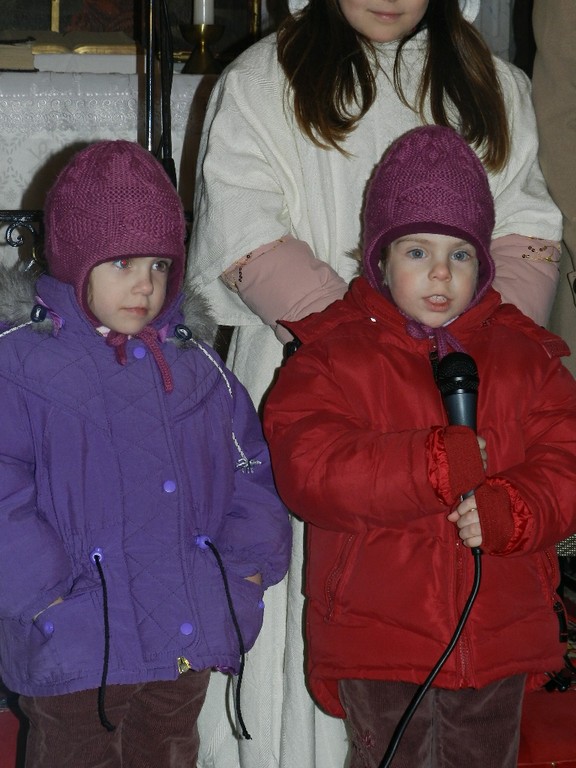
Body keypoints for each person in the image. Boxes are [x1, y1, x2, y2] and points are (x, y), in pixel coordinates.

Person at [187, 1, 563, 765]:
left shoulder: (493, 84)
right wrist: (363, 338)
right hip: (325, 373)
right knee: (343, 612)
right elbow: (244, 225)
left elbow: (526, 224)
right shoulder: (265, 78)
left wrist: (480, 343)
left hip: (474, 379)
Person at [263, 124, 576, 768]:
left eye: (460, 254)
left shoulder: (527, 358)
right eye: (416, 251)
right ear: (378, 258)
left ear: (484, 263)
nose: (440, 271)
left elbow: (567, 463)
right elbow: (309, 468)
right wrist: (425, 463)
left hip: (500, 635)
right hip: (379, 637)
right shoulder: (331, 356)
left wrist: (515, 509)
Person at [0, 140, 291, 768]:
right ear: (76, 262)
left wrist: (242, 571)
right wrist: (43, 590)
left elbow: (251, 473)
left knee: (168, 754)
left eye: (161, 263)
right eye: (123, 261)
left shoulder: (200, 369)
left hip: (184, 631)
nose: (145, 283)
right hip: (75, 636)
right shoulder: (19, 363)